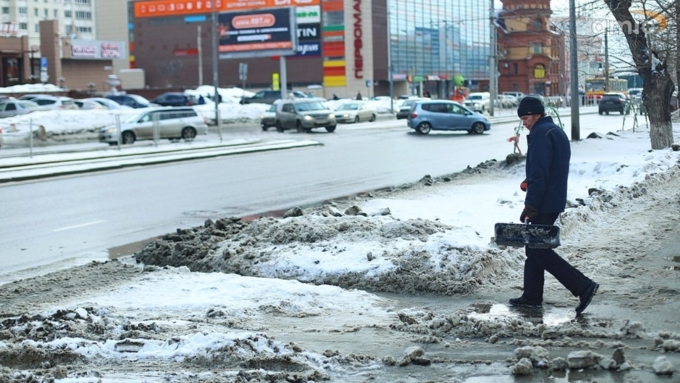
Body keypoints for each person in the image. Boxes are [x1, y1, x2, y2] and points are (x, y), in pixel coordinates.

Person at [510, 96, 599, 314]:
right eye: (522, 118)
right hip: (552, 199)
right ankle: (531, 295)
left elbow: (540, 174)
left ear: (537, 114)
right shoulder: (553, 130)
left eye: (527, 117)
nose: (524, 122)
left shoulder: (541, 134)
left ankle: (583, 286)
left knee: (539, 251)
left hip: (544, 201)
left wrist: (531, 205)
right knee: (534, 248)